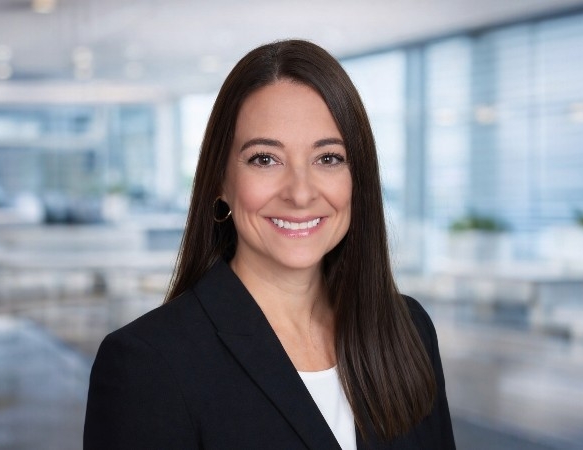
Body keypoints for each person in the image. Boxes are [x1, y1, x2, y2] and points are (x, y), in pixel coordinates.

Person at [84, 39, 455, 449]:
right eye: (265, 158)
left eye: (328, 158)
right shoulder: (148, 364)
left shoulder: (407, 329)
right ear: (220, 181)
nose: (300, 193)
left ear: (357, 177)